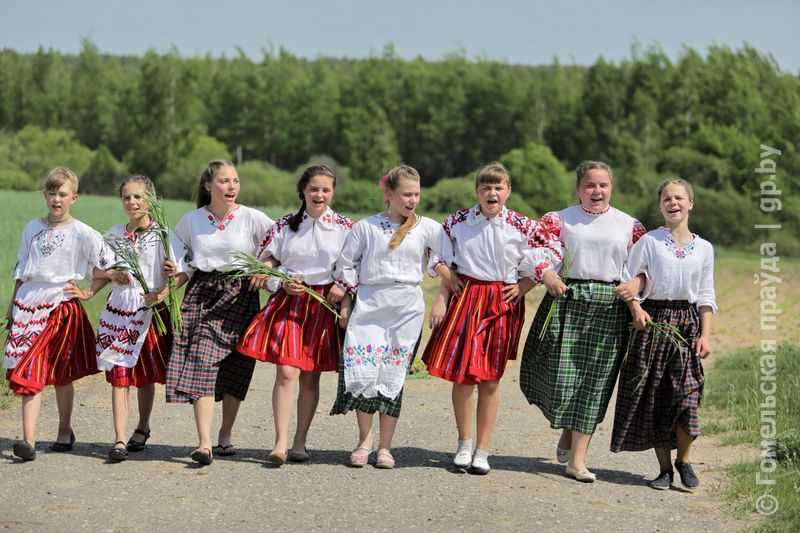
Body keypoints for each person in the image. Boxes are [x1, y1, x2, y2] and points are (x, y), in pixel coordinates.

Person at [519, 160, 645, 482]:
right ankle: (567, 430)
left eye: (603, 185)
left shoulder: (629, 225)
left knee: (595, 382)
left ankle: (577, 460)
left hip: (610, 305)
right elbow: (537, 250)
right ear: (578, 189)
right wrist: (546, 272)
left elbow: (641, 267)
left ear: (611, 188)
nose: (596, 191)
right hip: (568, 299)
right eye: (590, 185)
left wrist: (636, 290)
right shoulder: (559, 219)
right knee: (564, 377)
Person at [422, 162, 552, 475]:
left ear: (508, 191)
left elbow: (549, 254)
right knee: (464, 377)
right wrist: (444, 281)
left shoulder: (522, 225)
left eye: (498, 187)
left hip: (501, 301)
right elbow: (435, 251)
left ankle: (483, 449)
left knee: (491, 379)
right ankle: (464, 442)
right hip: (466, 296)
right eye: (485, 187)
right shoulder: (460, 221)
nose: (491, 193)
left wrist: (525, 285)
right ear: (477, 191)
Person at [328, 165, 455, 469]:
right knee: (365, 372)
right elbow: (346, 265)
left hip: (407, 306)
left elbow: (446, 262)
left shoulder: (428, 227)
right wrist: (345, 302)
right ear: (389, 194)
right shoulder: (366, 227)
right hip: (370, 304)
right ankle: (364, 440)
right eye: (406, 194)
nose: (412, 200)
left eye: (416, 194)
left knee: (391, 376)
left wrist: (440, 300)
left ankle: (385, 447)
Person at [237, 165, 353, 465]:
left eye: (326, 189)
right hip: (290, 304)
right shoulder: (284, 226)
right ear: (303, 190)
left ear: (333, 192)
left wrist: (341, 289)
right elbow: (263, 267)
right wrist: (282, 283)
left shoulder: (345, 227)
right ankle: (279, 442)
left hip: (322, 306)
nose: (320, 194)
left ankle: (300, 442)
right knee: (287, 372)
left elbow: (353, 266)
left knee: (311, 379)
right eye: (314, 188)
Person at [166, 160, 273, 465]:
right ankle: (204, 442)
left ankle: (225, 435)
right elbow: (182, 261)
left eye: (235, 181)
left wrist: (266, 267)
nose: (232, 187)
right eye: (225, 181)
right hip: (202, 293)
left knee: (236, 366)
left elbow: (279, 244)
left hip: (241, 294)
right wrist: (172, 277)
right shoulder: (191, 221)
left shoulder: (253, 218)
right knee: (201, 358)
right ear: (209, 186)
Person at [610, 178, 715, 491]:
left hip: (686, 325)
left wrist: (706, 335)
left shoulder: (704, 248)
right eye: (667, 199)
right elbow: (627, 280)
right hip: (653, 322)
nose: (673, 203)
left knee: (688, 397)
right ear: (660, 206)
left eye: (679, 198)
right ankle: (665, 469)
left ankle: (684, 459)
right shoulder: (650, 242)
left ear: (690, 204)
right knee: (656, 398)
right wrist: (637, 310)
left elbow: (707, 294)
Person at [5, 167, 105, 461]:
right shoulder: (31, 228)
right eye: (52, 193)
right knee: (29, 369)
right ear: (45, 195)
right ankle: (29, 441)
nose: (56, 199)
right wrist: (12, 306)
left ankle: (64, 430)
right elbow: (21, 270)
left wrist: (88, 293)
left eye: (62, 194)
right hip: (28, 305)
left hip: (60, 306)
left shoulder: (83, 232)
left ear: (73, 196)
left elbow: (106, 268)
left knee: (61, 374)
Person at [94, 175, 188, 461]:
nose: (132, 202)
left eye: (138, 197)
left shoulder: (164, 235)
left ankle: (143, 427)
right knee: (119, 373)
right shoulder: (112, 235)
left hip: (150, 309)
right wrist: (112, 274)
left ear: (150, 201)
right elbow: (95, 270)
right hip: (120, 308)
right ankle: (119, 439)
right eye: (126, 197)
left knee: (144, 374)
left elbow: (183, 272)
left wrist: (163, 292)